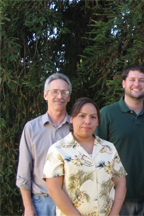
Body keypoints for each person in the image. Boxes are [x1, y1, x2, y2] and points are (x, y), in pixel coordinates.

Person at [95, 65, 144, 216]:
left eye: (141, 80)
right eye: (132, 80)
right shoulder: (107, 114)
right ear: (124, 83)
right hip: (117, 198)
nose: (137, 84)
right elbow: (97, 155)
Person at [43, 97, 127, 216]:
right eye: (82, 116)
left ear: (97, 122)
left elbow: (121, 184)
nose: (87, 121)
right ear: (72, 119)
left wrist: (114, 213)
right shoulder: (58, 150)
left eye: (93, 117)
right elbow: (54, 190)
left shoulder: (109, 149)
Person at [16, 73, 72, 216]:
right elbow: (24, 171)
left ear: (69, 97)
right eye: (54, 91)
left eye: (64, 92)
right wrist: (28, 207)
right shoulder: (31, 128)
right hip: (42, 203)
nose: (59, 96)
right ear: (45, 95)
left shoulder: (76, 128)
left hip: (71, 201)